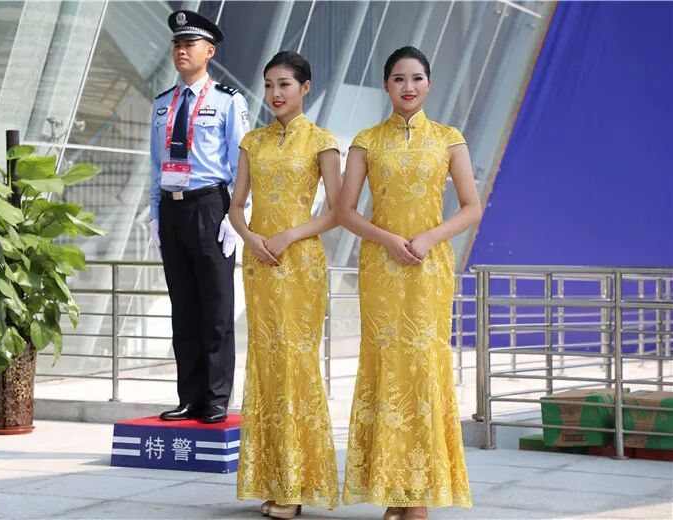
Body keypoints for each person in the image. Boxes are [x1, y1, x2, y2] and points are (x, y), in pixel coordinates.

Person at [337, 46, 481, 520]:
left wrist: (427, 238)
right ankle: (392, 491)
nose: (408, 86)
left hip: (428, 270)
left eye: (417, 78)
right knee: (386, 370)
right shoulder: (367, 141)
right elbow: (345, 212)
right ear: (386, 86)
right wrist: (388, 239)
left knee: (421, 370)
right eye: (399, 78)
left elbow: (471, 208)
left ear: (429, 84)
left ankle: (417, 492)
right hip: (381, 269)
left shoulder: (448, 139)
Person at [229, 51, 342, 519]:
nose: (275, 94)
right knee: (265, 363)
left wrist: (289, 235)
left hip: (300, 265)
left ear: (305, 87)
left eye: (285, 85)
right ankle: (270, 479)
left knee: (296, 364)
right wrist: (251, 238)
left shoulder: (322, 141)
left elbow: (337, 211)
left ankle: (297, 484)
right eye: (269, 85)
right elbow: (235, 206)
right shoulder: (252, 142)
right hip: (259, 263)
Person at [149, 10, 249, 424]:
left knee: (217, 308)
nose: (181, 51)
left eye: (189, 44)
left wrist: (237, 216)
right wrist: (154, 214)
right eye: (177, 44)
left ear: (209, 52)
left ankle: (217, 397)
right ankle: (189, 396)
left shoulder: (228, 100)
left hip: (211, 207)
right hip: (172, 209)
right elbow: (154, 164)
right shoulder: (162, 104)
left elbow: (243, 163)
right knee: (184, 310)